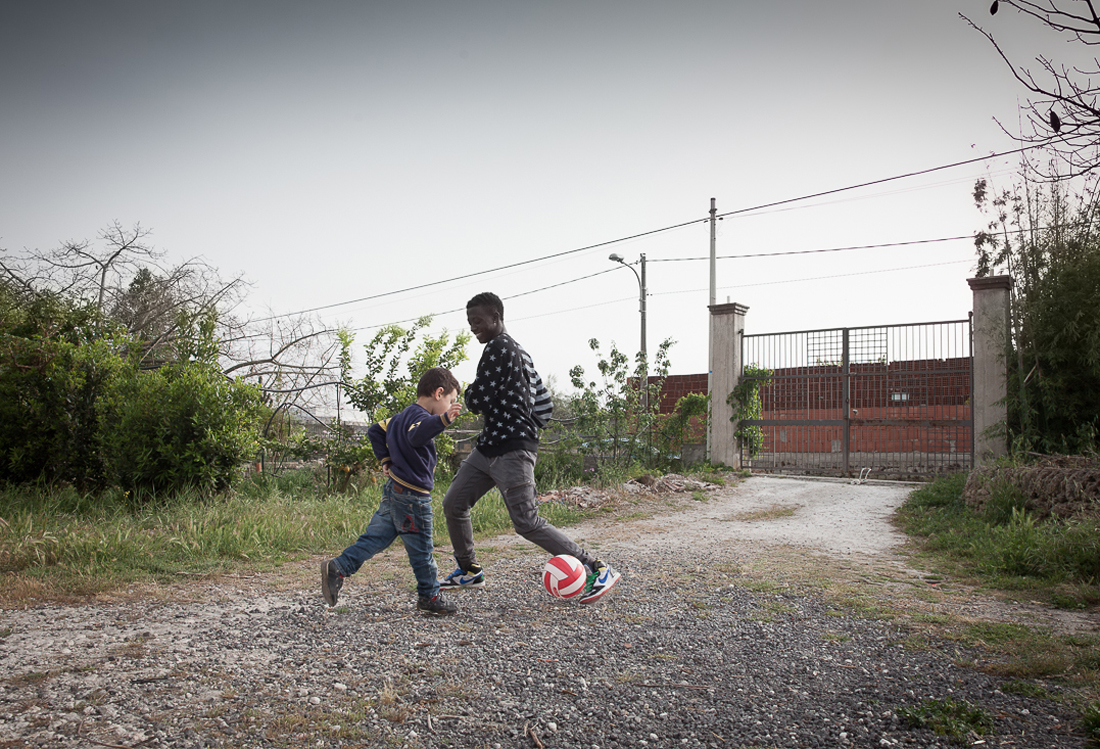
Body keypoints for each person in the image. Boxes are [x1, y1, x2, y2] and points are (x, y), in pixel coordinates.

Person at [440, 292, 621, 603]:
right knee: (454, 503)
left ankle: (597, 568)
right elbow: (544, 403)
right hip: (489, 448)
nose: (473, 328)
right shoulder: (520, 352)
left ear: (496, 317)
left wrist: (470, 394)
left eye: (478, 321)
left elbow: (477, 399)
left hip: (511, 450)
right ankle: (469, 570)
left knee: (527, 522)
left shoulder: (499, 347)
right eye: (470, 323)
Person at [322, 367, 463, 616]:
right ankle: (429, 595)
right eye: (450, 400)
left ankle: (338, 567)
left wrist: (384, 458)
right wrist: (443, 420)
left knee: (375, 538)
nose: (450, 406)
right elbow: (416, 435)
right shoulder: (419, 418)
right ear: (439, 393)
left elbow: (375, 430)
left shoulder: (399, 417)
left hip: (394, 491)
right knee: (422, 549)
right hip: (412, 497)